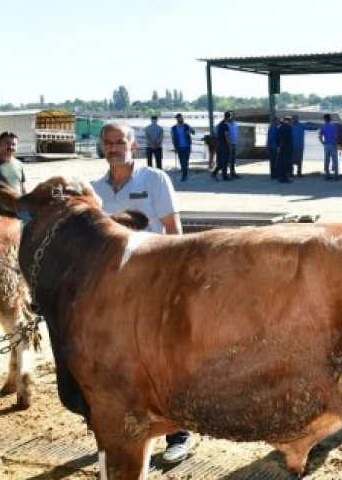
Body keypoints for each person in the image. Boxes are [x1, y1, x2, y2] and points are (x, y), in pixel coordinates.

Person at [90, 122, 191, 463]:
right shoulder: (93, 191)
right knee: (118, 365)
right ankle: (122, 431)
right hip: (113, 294)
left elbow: (174, 232)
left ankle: (178, 433)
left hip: (154, 287)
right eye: (108, 142)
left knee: (164, 363)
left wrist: (177, 283)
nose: (114, 147)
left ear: (134, 146)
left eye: (120, 141)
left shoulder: (155, 180)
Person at [170, 113, 195, 182]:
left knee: (185, 161)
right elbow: (173, 138)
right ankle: (184, 173)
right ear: (177, 119)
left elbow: (194, 132)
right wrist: (174, 147)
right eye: (179, 118)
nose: (181, 119)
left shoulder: (186, 126)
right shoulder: (174, 128)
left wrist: (189, 131)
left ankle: (184, 175)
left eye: (182, 118)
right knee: (181, 161)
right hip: (179, 147)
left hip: (187, 146)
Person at [211, 112, 233, 181]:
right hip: (224, 145)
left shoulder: (220, 124)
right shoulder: (225, 125)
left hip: (219, 145)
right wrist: (229, 144)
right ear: (229, 117)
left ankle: (214, 173)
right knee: (225, 161)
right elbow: (226, 135)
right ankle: (224, 176)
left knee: (221, 162)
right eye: (230, 117)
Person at [318, 114, 339, 180]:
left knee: (327, 160)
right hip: (333, 144)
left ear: (325, 119)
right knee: (334, 160)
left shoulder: (323, 127)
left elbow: (320, 136)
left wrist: (323, 142)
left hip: (326, 144)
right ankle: (336, 175)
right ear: (330, 119)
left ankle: (327, 175)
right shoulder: (334, 126)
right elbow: (336, 136)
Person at [276, 116, 294, 184]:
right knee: (286, 163)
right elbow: (289, 139)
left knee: (281, 162)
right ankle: (284, 178)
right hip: (287, 148)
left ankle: (281, 177)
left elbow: (278, 138)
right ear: (288, 121)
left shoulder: (281, 127)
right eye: (291, 121)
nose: (291, 123)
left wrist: (278, 146)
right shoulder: (288, 128)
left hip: (282, 147)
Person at [227, 111, 240, 178]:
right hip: (229, 144)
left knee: (233, 159)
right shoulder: (227, 124)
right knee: (229, 159)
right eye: (231, 116)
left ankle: (233, 173)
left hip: (234, 143)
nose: (233, 117)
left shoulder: (235, 124)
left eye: (233, 116)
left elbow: (237, 132)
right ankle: (228, 173)